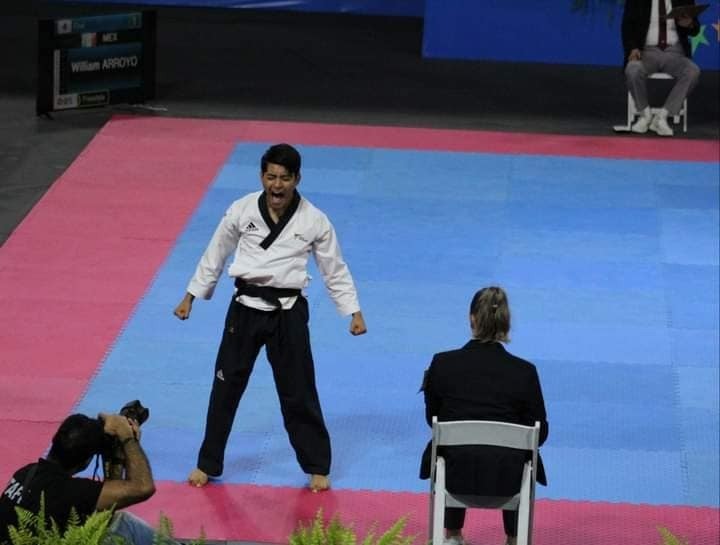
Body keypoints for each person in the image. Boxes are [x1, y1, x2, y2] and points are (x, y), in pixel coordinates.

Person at [174, 143, 367, 492]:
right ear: (262, 176)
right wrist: (191, 296)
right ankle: (207, 462)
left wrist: (352, 310)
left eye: (284, 178)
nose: (277, 185)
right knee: (225, 387)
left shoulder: (314, 220)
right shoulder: (241, 209)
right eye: (270, 177)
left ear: (297, 179)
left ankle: (316, 466)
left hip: (288, 313)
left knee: (299, 391)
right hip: (245, 308)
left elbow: (334, 268)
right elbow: (215, 253)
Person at [419, 287, 548, 545]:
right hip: (508, 480)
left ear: (472, 318)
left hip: (454, 476)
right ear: (506, 322)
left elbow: (433, 419)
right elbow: (540, 433)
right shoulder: (525, 372)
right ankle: (514, 537)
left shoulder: (442, 363)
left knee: (449, 446)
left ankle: (452, 535)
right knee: (521, 453)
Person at [0, 412, 177, 545]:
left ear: (55, 440)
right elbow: (143, 487)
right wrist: (128, 439)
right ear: (86, 462)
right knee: (122, 524)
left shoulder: (26, 473)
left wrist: (116, 459)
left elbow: (106, 511)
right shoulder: (71, 492)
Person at [622, 0, 701, 136]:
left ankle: (662, 117)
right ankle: (645, 115)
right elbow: (627, 26)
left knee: (693, 71)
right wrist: (632, 48)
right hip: (646, 51)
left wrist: (690, 24)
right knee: (633, 69)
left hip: (675, 52)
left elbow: (695, 30)